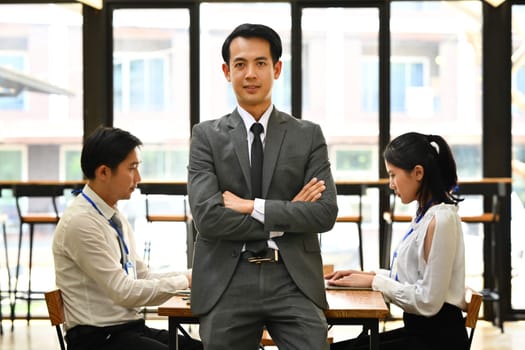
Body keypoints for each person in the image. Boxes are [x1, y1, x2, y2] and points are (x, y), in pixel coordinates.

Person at [187, 23, 339, 350]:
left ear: (277, 68)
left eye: (260, 63)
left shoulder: (308, 135)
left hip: (293, 278)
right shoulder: (205, 137)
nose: (250, 73)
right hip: (227, 280)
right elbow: (208, 219)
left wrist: (250, 205)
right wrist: (286, 215)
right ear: (227, 72)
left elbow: (325, 214)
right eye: (240, 64)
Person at [52, 126, 202, 350]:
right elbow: (125, 292)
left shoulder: (112, 216)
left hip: (125, 330)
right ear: (103, 172)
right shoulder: (81, 222)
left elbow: (142, 275)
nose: (138, 178)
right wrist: (186, 281)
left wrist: (192, 275)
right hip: (97, 339)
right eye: (132, 168)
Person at [326, 132, 468, 350]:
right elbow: (411, 280)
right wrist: (365, 275)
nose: (391, 184)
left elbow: (428, 302)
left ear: (418, 172)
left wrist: (374, 282)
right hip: (422, 333)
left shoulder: (441, 220)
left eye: (393, 175)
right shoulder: (425, 215)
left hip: (438, 341)